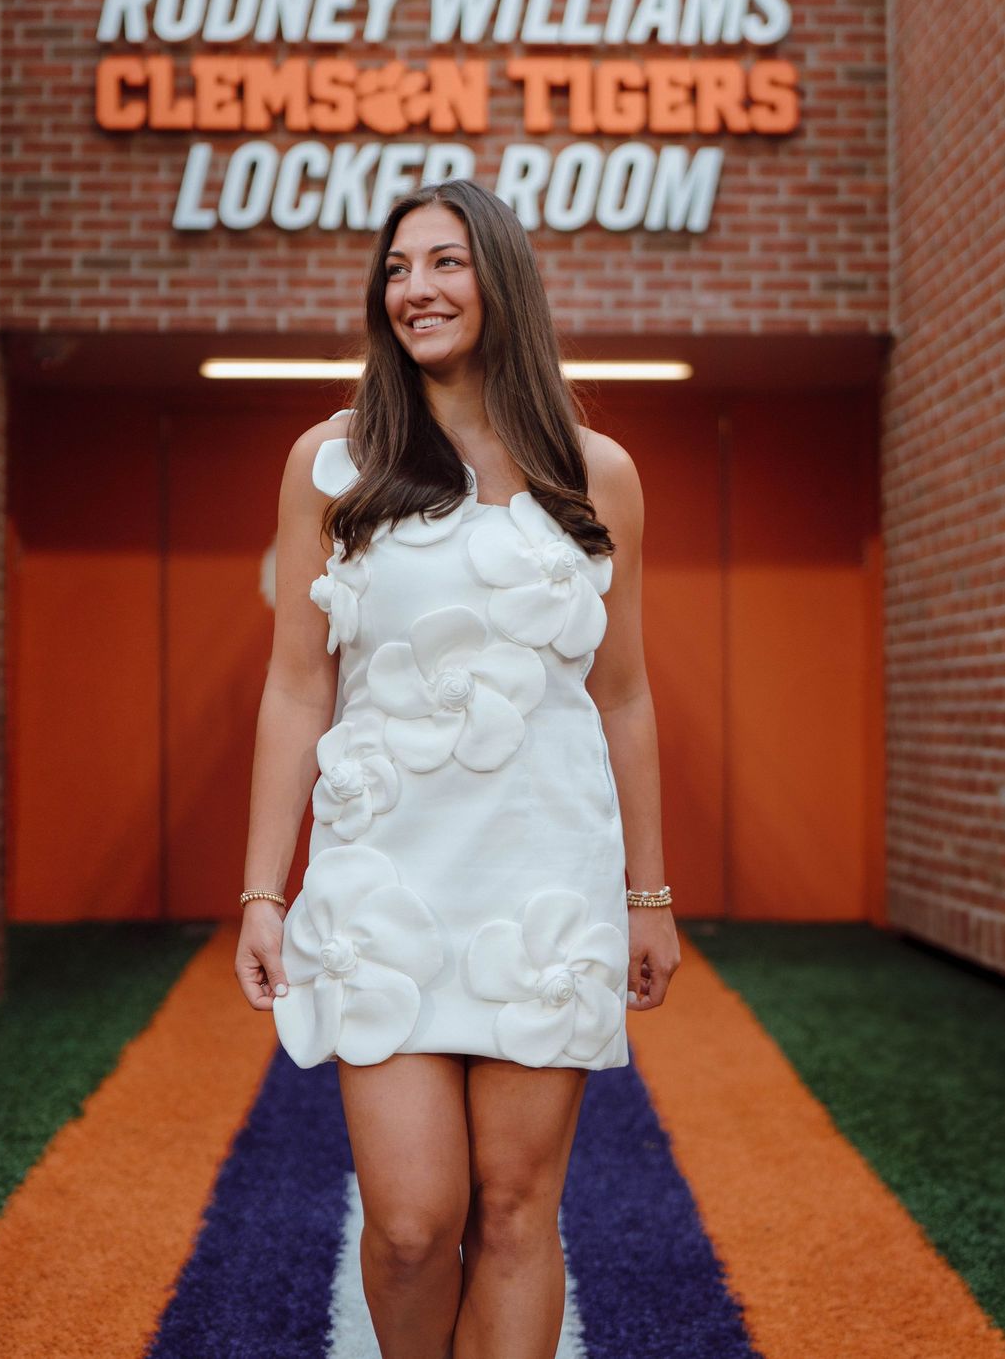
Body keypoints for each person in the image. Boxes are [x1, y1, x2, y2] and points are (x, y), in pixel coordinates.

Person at [235, 178, 679, 1359]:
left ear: (501, 281)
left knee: (518, 1212)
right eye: (396, 269)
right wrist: (266, 890)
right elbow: (297, 687)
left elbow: (624, 695)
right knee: (413, 1226)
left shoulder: (599, 471)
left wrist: (647, 894)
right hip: (384, 884)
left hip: (546, 887)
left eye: (443, 263)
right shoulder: (330, 463)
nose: (415, 290)